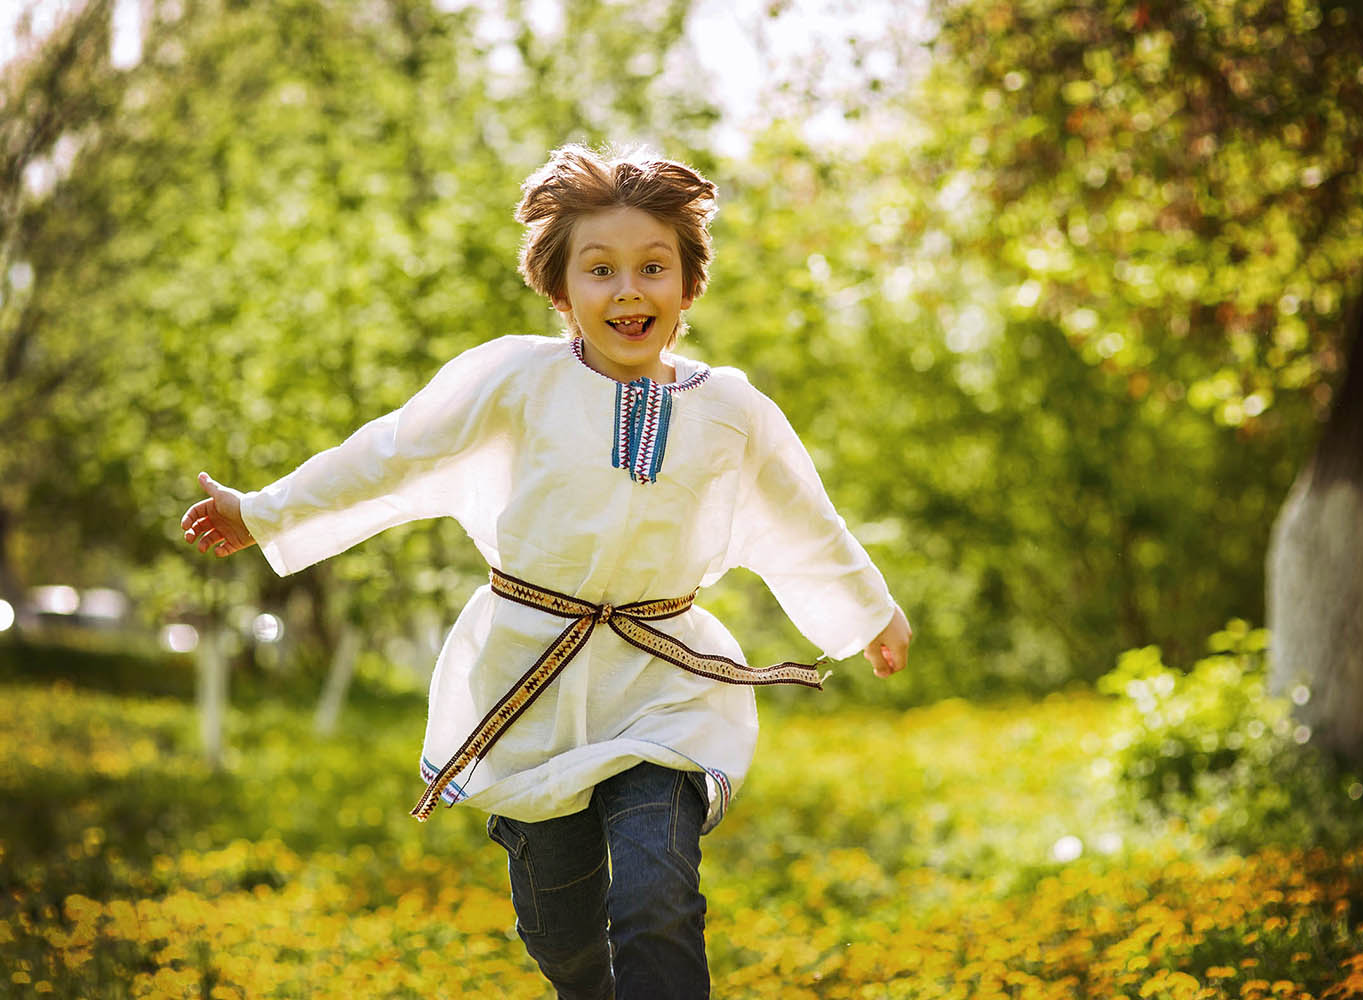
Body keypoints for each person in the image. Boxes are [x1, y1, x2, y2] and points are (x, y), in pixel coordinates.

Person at [180, 143, 911, 1000]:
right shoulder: (516, 380)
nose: (629, 290)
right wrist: (262, 511)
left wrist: (868, 611)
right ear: (561, 292)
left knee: (655, 898)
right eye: (600, 270)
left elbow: (801, 514)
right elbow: (390, 453)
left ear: (687, 286)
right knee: (561, 937)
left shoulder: (732, 409)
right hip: (529, 677)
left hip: (663, 685)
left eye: (652, 268)